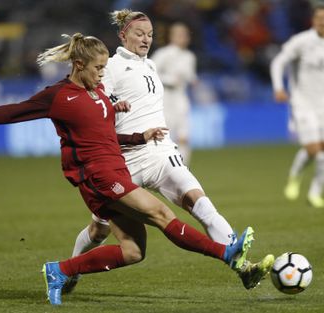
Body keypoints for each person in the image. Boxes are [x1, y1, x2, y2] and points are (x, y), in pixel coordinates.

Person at [0, 33, 261, 307]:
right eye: (98, 68)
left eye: (104, 68)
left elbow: (104, 134)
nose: (103, 74)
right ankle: (225, 253)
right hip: (99, 177)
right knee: (161, 213)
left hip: (115, 170)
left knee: (133, 253)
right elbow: (9, 112)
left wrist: (137, 136)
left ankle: (59, 270)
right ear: (78, 65)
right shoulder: (58, 96)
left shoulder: (98, 92)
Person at [63, 9, 274, 294]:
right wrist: (113, 108)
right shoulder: (110, 67)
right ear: (122, 35)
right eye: (139, 34)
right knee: (99, 229)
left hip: (162, 154)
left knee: (201, 204)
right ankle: (70, 270)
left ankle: (242, 268)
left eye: (149, 35)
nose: (145, 39)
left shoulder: (150, 66)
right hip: (123, 161)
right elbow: (92, 108)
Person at [270, 4, 324, 208]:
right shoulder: (301, 42)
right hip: (302, 104)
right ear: (313, 20)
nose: (322, 21)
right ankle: (296, 176)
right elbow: (278, 62)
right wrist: (278, 88)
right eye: (319, 18)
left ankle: (314, 193)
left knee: (321, 152)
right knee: (315, 151)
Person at [151, 22, 197, 164]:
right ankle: (164, 170)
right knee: (165, 137)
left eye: (185, 35)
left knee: (184, 136)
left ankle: (183, 170)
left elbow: (190, 76)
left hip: (181, 96)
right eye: (179, 34)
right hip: (165, 98)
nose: (183, 38)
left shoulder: (189, 56)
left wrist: (194, 80)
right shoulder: (163, 54)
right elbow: (150, 72)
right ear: (172, 36)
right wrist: (169, 79)